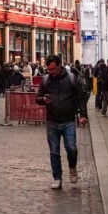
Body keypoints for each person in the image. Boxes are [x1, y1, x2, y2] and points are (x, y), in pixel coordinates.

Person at [36, 53, 88, 189]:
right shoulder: (46, 80)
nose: (50, 72)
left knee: (71, 147)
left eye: (53, 69)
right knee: (54, 151)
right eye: (49, 69)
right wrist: (43, 100)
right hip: (52, 120)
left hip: (68, 120)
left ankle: (72, 167)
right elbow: (38, 97)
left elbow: (80, 97)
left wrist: (83, 115)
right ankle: (57, 178)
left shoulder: (71, 78)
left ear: (59, 66)